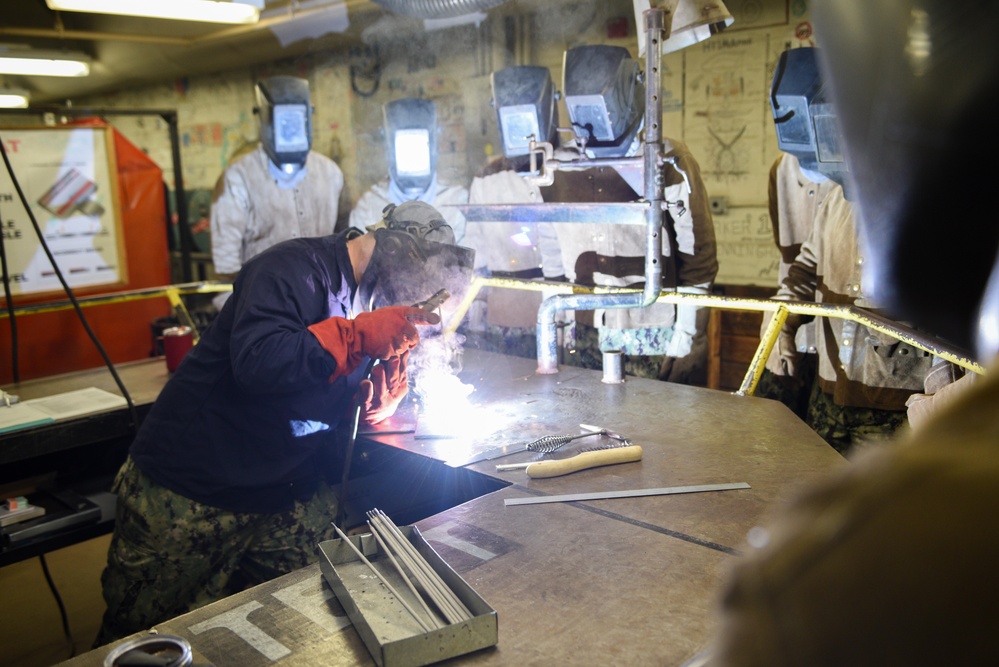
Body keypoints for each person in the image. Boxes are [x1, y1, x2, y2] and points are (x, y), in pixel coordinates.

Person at [709, 0, 999, 663]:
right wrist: (786, 313)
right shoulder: (842, 195)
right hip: (834, 386)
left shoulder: (804, 598)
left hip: (895, 395)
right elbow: (809, 262)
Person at [96, 201, 474, 645]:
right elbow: (260, 364)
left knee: (306, 625)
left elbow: (323, 379)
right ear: (393, 253)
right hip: (191, 490)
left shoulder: (370, 300)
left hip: (285, 489)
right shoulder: (289, 269)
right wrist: (356, 337)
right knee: (142, 640)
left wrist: (369, 402)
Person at [757, 47, 933, 454]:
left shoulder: (926, 201)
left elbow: (952, 301)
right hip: (828, 391)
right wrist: (779, 324)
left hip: (894, 406)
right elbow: (804, 270)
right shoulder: (835, 198)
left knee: (886, 517)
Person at [540, 44, 718, 384]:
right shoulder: (558, 166)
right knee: (583, 429)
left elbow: (700, 259)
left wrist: (687, 338)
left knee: (650, 432)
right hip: (583, 329)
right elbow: (550, 252)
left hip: (650, 333)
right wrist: (555, 323)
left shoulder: (670, 161)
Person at [462, 65, 566, 358]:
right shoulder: (487, 178)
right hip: (505, 319)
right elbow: (476, 253)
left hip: (564, 317)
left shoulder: (570, 169)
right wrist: (476, 322)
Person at [209, 75, 349, 289]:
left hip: (323, 296)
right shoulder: (239, 177)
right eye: (285, 123)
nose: (291, 132)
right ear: (265, 120)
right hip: (264, 296)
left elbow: (346, 239)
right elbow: (225, 265)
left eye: (296, 123)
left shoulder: (330, 173)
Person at [349, 97, 468, 242]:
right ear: (389, 150)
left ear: (434, 148)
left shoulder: (456, 202)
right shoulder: (369, 207)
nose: (413, 154)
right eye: (405, 147)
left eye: (418, 146)